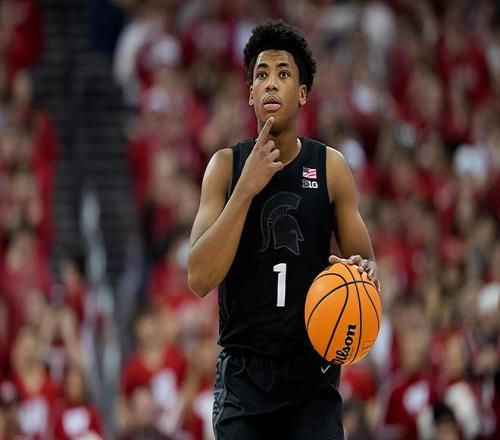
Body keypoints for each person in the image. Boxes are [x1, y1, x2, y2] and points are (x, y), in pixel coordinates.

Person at [187, 20, 378, 440]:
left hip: (311, 378)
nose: (270, 83)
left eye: (283, 73)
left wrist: (364, 273)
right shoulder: (224, 167)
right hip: (244, 380)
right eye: (261, 74)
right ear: (250, 93)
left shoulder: (331, 168)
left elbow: (368, 266)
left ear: (303, 93)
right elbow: (199, 278)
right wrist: (245, 189)